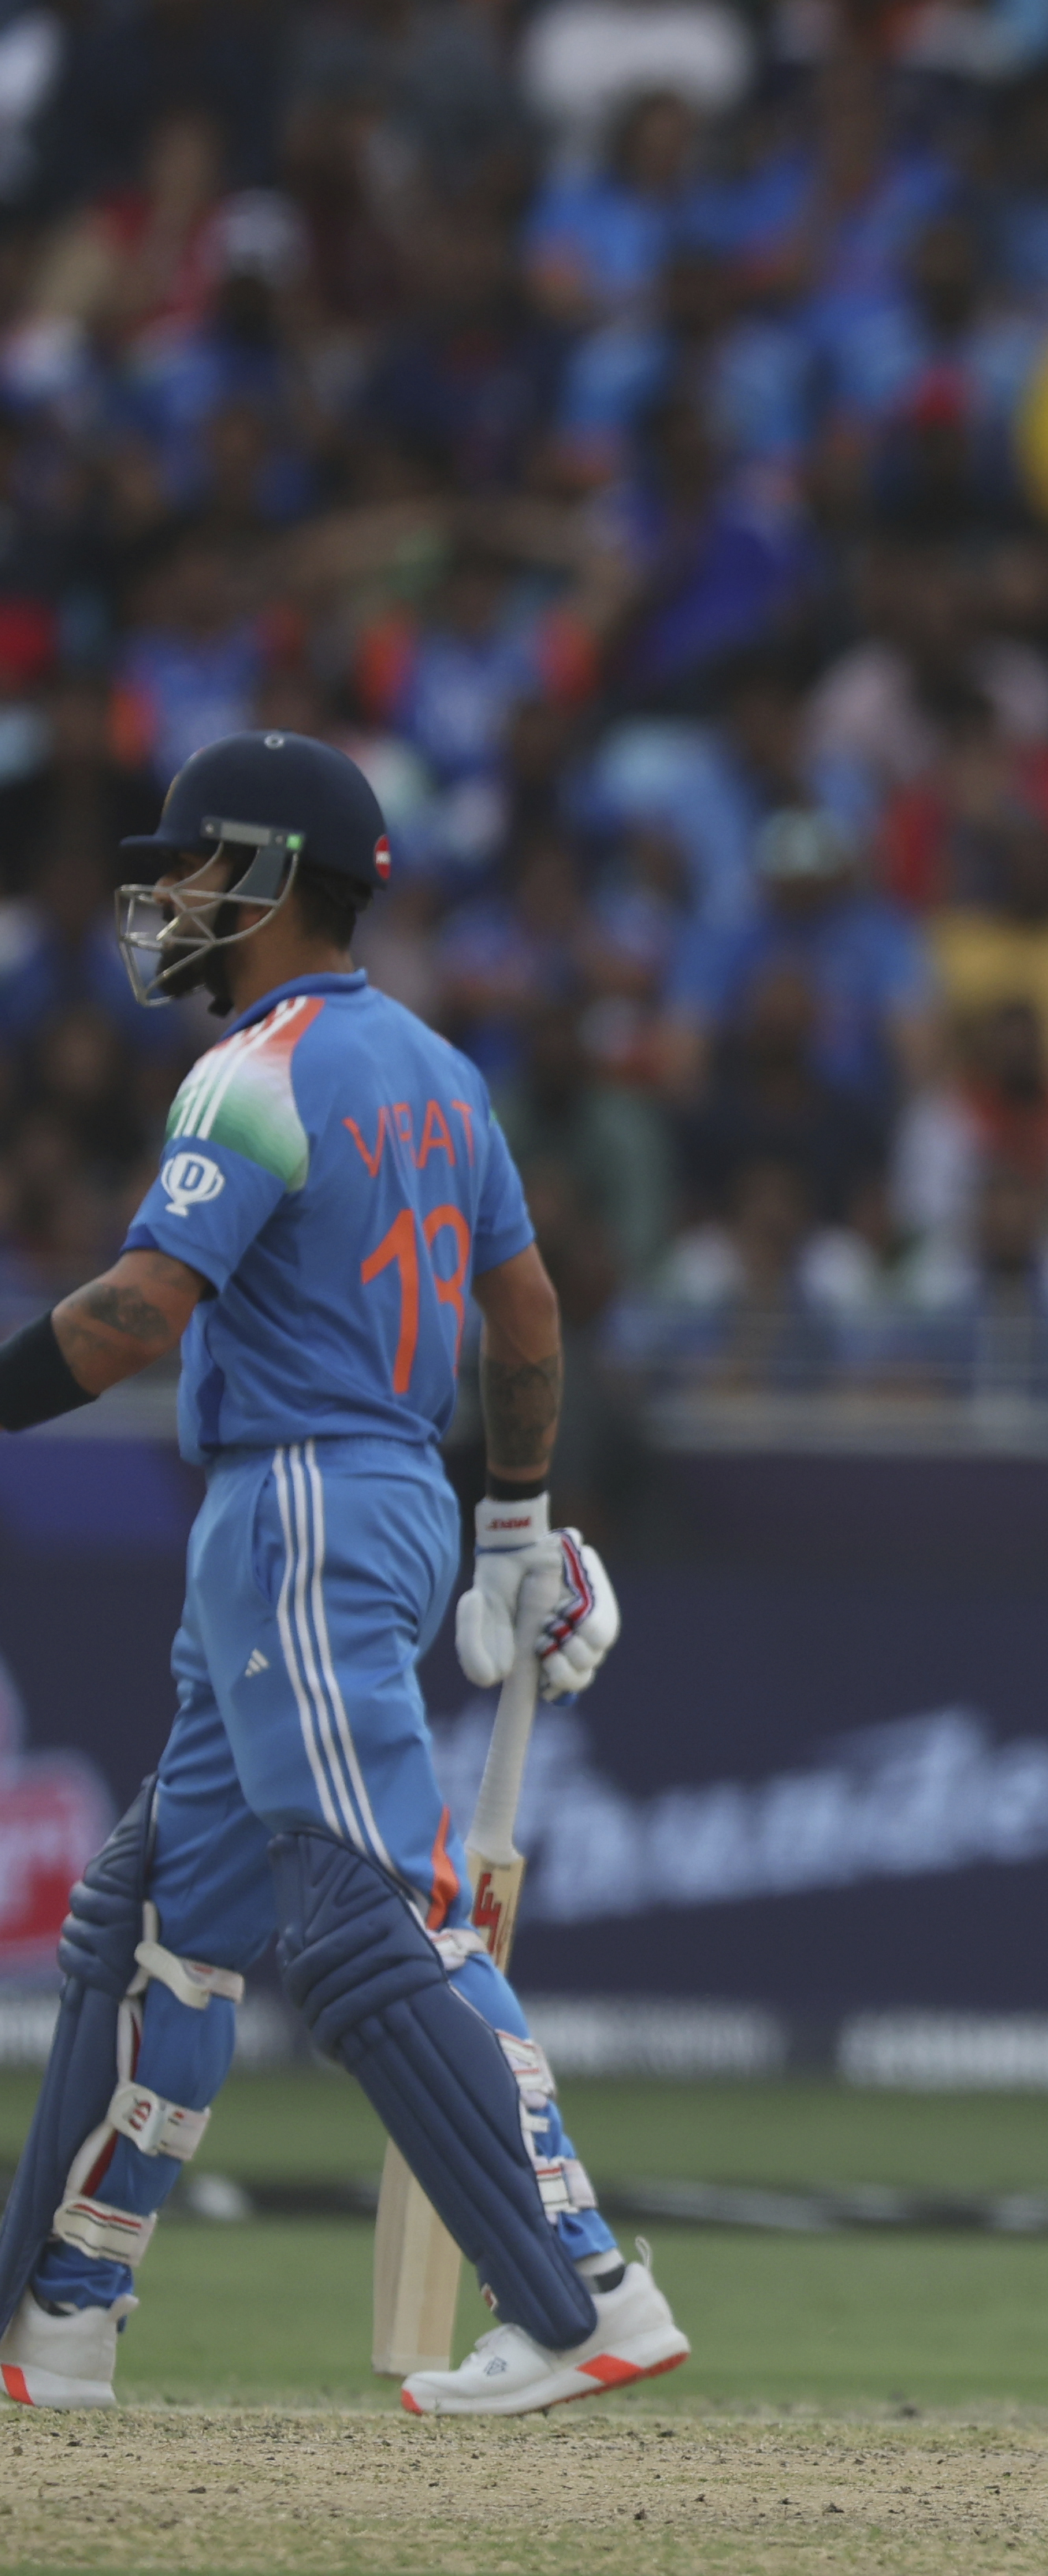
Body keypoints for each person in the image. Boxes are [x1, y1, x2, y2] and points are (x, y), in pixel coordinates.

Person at [0, 731, 666, 2418]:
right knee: (154, 1916)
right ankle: (56, 2320)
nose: (168, 902)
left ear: (279, 880)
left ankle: (583, 2282)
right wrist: (510, 1521)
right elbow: (525, 1311)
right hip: (363, 1493)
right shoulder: (442, 1072)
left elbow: (139, 1310)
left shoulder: (259, 1069)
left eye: (195, 869)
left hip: (298, 1495)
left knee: (372, 1913)